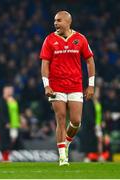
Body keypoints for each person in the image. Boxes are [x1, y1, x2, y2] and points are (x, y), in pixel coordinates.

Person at [40, 11, 95, 166]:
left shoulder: (80, 39)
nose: (55, 23)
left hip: (75, 85)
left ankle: (67, 142)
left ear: (67, 22)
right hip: (56, 85)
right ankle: (63, 156)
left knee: (76, 121)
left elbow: (90, 61)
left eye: (58, 20)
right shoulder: (49, 40)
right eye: (54, 21)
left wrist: (91, 85)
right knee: (61, 118)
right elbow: (45, 64)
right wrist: (46, 85)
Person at [0, 85, 22, 161]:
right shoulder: (2, 101)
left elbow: (16, 111)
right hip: (6, 124)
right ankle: (5, 157)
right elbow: (1, 113)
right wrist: (6, 122)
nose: (10, 91)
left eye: (11, 90)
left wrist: (19, 120)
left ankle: (7, 156)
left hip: (14, 124)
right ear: (5, 91)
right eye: (9, 90)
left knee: (13, 139)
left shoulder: (14, 100)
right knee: (5, 140)